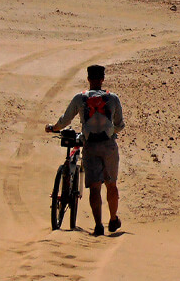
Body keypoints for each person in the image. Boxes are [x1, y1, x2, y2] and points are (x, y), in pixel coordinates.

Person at [45, 64, 125, 236]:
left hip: (90, 146)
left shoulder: (79, 98)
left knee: (95, 187)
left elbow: (64, 121)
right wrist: (110, 132)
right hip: (109, 146)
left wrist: (53, 128)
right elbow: (120, 125)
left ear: (88, 79)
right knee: (111, 184)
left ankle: (98, 225)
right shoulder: (113, 99)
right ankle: (113, 219)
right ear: (102, 79)